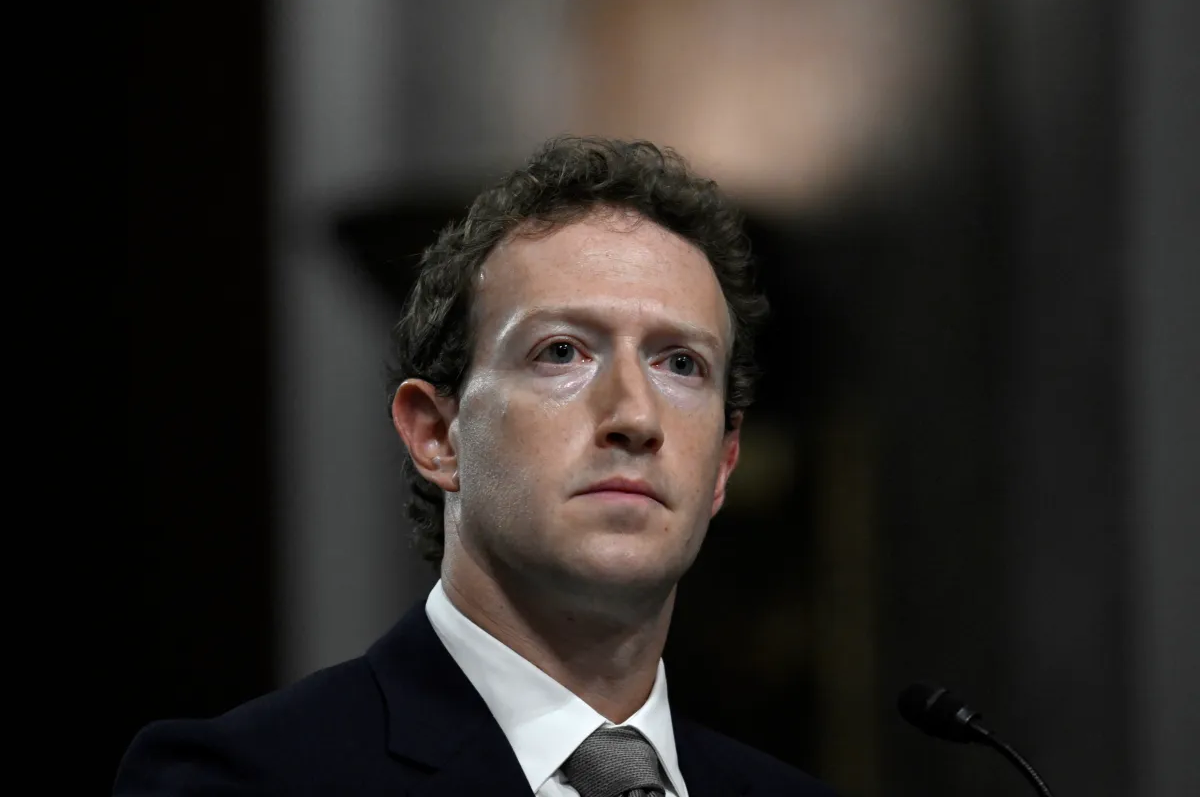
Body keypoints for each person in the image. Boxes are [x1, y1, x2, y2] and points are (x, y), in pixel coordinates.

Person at [115, 136, 834, 796]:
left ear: (724, 463)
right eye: (562, 352)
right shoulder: (243, 782)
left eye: (680, 363)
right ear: (437, 435)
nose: (635, 417)